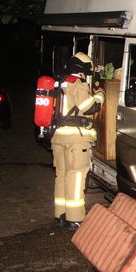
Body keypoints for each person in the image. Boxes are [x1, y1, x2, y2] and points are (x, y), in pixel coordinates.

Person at [51, 52, 105, 231]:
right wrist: (100, 95)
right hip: (75, 139)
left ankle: (61, 215)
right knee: (75, 177)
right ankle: (75, 219)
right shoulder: (77, 82)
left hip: (57, 137)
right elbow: (89, 107)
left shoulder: (58, 81)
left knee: (62, 176)